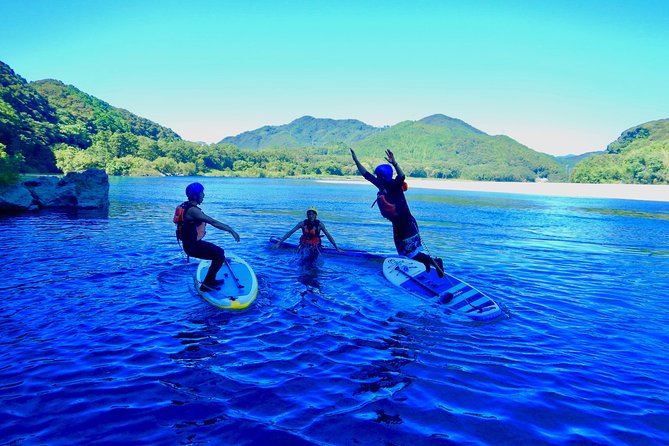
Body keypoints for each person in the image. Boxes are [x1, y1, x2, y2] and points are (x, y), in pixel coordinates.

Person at [350, 148, 444, 277]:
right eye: (377, 176)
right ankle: (424, 265)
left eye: (380, 176)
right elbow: (366, 175)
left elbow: (401, 176)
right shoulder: (381, 185)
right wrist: (356, 160)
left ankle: (435, 261)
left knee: (411, 252)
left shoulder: (395, 184)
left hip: (406, 223)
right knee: (403, 252)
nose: (377, 178)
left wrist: (394, 163)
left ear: (385, 176)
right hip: (397, 224)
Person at [175, 182, 240, 291]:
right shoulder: (192, 210)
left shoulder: (186, 206)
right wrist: (230, 230)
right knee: (219, 256)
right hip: (192, 247)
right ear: (195, 195)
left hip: (191, 244)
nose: (203, 195)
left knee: (220, 252)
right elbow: (212, 222)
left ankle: (210, 280)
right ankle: (207, 285)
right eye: (201, 193)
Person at [272, 207, 342, 263]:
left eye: (313, 214)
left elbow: (328, 236)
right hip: (304, 243)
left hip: (315, 245)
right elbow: (290, 233)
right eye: (309, 214)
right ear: (307, 215)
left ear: (316, 216)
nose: (311, 216)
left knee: (312, 261)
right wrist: (279, 243)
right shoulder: (302, 223)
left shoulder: (320, 225)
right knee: (303, 260)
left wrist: (336, 248)